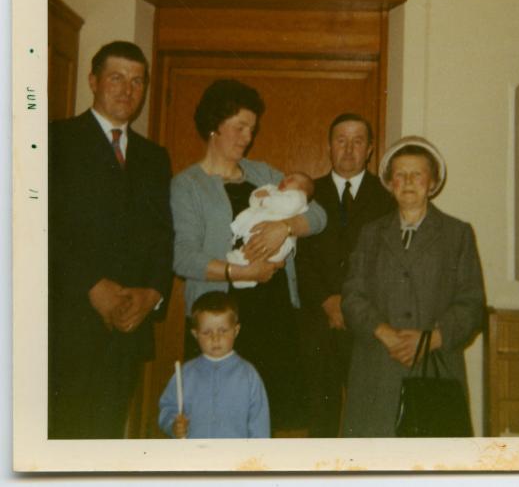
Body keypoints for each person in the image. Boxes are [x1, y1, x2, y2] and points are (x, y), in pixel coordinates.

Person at [170, 79, 326, 433]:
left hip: (274, 315)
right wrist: (239, 273)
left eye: (251, 130)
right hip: (221, 317)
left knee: (275, 419)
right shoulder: (188, 185)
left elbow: (318, 215)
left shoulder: (264, 173)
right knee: (220, 422)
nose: (247, 137)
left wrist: (284, 227)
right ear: (214, 124)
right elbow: (183, 257)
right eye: (239, 127)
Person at [48, 41, 174, 439]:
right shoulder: (56, 140)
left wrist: (151, 294)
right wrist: (91, 286)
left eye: (137, 81)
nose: (127, 90)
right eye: (116, 78)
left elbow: (162, 235)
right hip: (65, 325)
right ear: (93, 81)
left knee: (106, 439)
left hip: (128, 331)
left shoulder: (154, 157)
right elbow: (40, 227)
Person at [341, 136, 486, 437]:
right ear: (389, 183)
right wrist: (383, 332)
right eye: (400, 174)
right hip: (377, 369)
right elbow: (352, 296)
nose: (408, 181)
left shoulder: (457, 234)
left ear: (431, 183)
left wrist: (432, 338)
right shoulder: (370, 234)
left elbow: (472, 303)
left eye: (417, 174)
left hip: (435, 370)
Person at [296, 113, 395, 437]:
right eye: (341, 140)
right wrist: (326, 300)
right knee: (318, 421)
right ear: (329, 146)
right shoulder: (305, 197)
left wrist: (351, 305)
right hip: (317, 323)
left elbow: (386, 262)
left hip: (366, 326)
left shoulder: (387, 199)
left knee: (366, 422)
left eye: (358, 141)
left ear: (369, 149)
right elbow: (299, 258)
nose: (349, 149)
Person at [159, 291, 270, 439]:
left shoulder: (248, 375)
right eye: (206, 332)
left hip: (234, 458)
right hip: (194, 456)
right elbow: (168, 407)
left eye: (223, 331)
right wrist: (173, 425)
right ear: (195, 334)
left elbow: (259, 423)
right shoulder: (185, 373)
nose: (215, 338)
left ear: (236, 331)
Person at [228, 172, 314, 288]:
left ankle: (247, 273)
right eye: (286, 177)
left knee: (260, 253)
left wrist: (264, 200)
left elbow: (287, 206)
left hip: (280, 243)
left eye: (292, 179)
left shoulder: (298, 197)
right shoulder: (272, 189)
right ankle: (244, 269)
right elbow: (254, 198)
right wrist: (259, 197)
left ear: (303, 189)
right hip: (260, 233)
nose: (285, 180)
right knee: (250, 251)